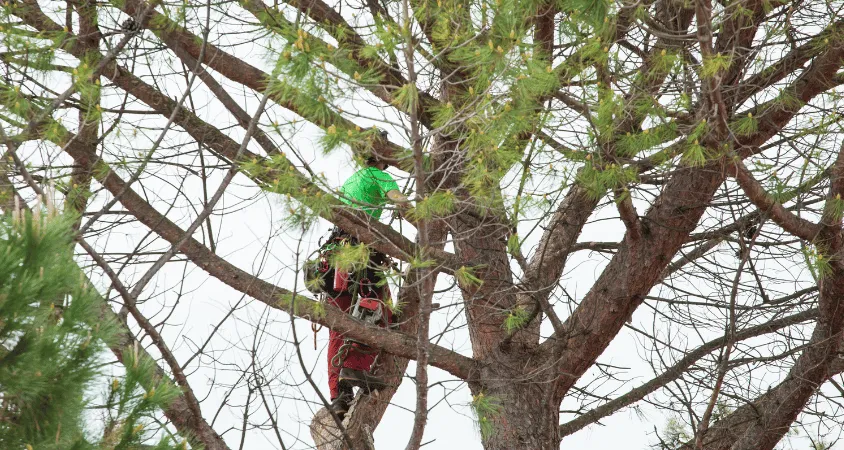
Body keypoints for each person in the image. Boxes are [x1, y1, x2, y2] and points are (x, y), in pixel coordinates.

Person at [326, 131, 409, 418]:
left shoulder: (353, 178)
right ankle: (354, 369)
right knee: (381, 311)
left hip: (334, 255)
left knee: (338, 321)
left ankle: (339, 395)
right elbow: (401, 203)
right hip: (361, 253)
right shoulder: (378, 175)